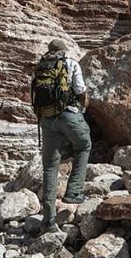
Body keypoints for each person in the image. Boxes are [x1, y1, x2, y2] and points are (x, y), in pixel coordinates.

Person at [30, 39, 91, 234]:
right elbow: (80, 90)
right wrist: (84, 105)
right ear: (63, 51)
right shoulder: (71, 64)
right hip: (68, 114)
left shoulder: (40, 68)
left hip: (46, 119)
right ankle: (73, 192)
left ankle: (48, 221)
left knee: (49, 167)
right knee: (83, 146)